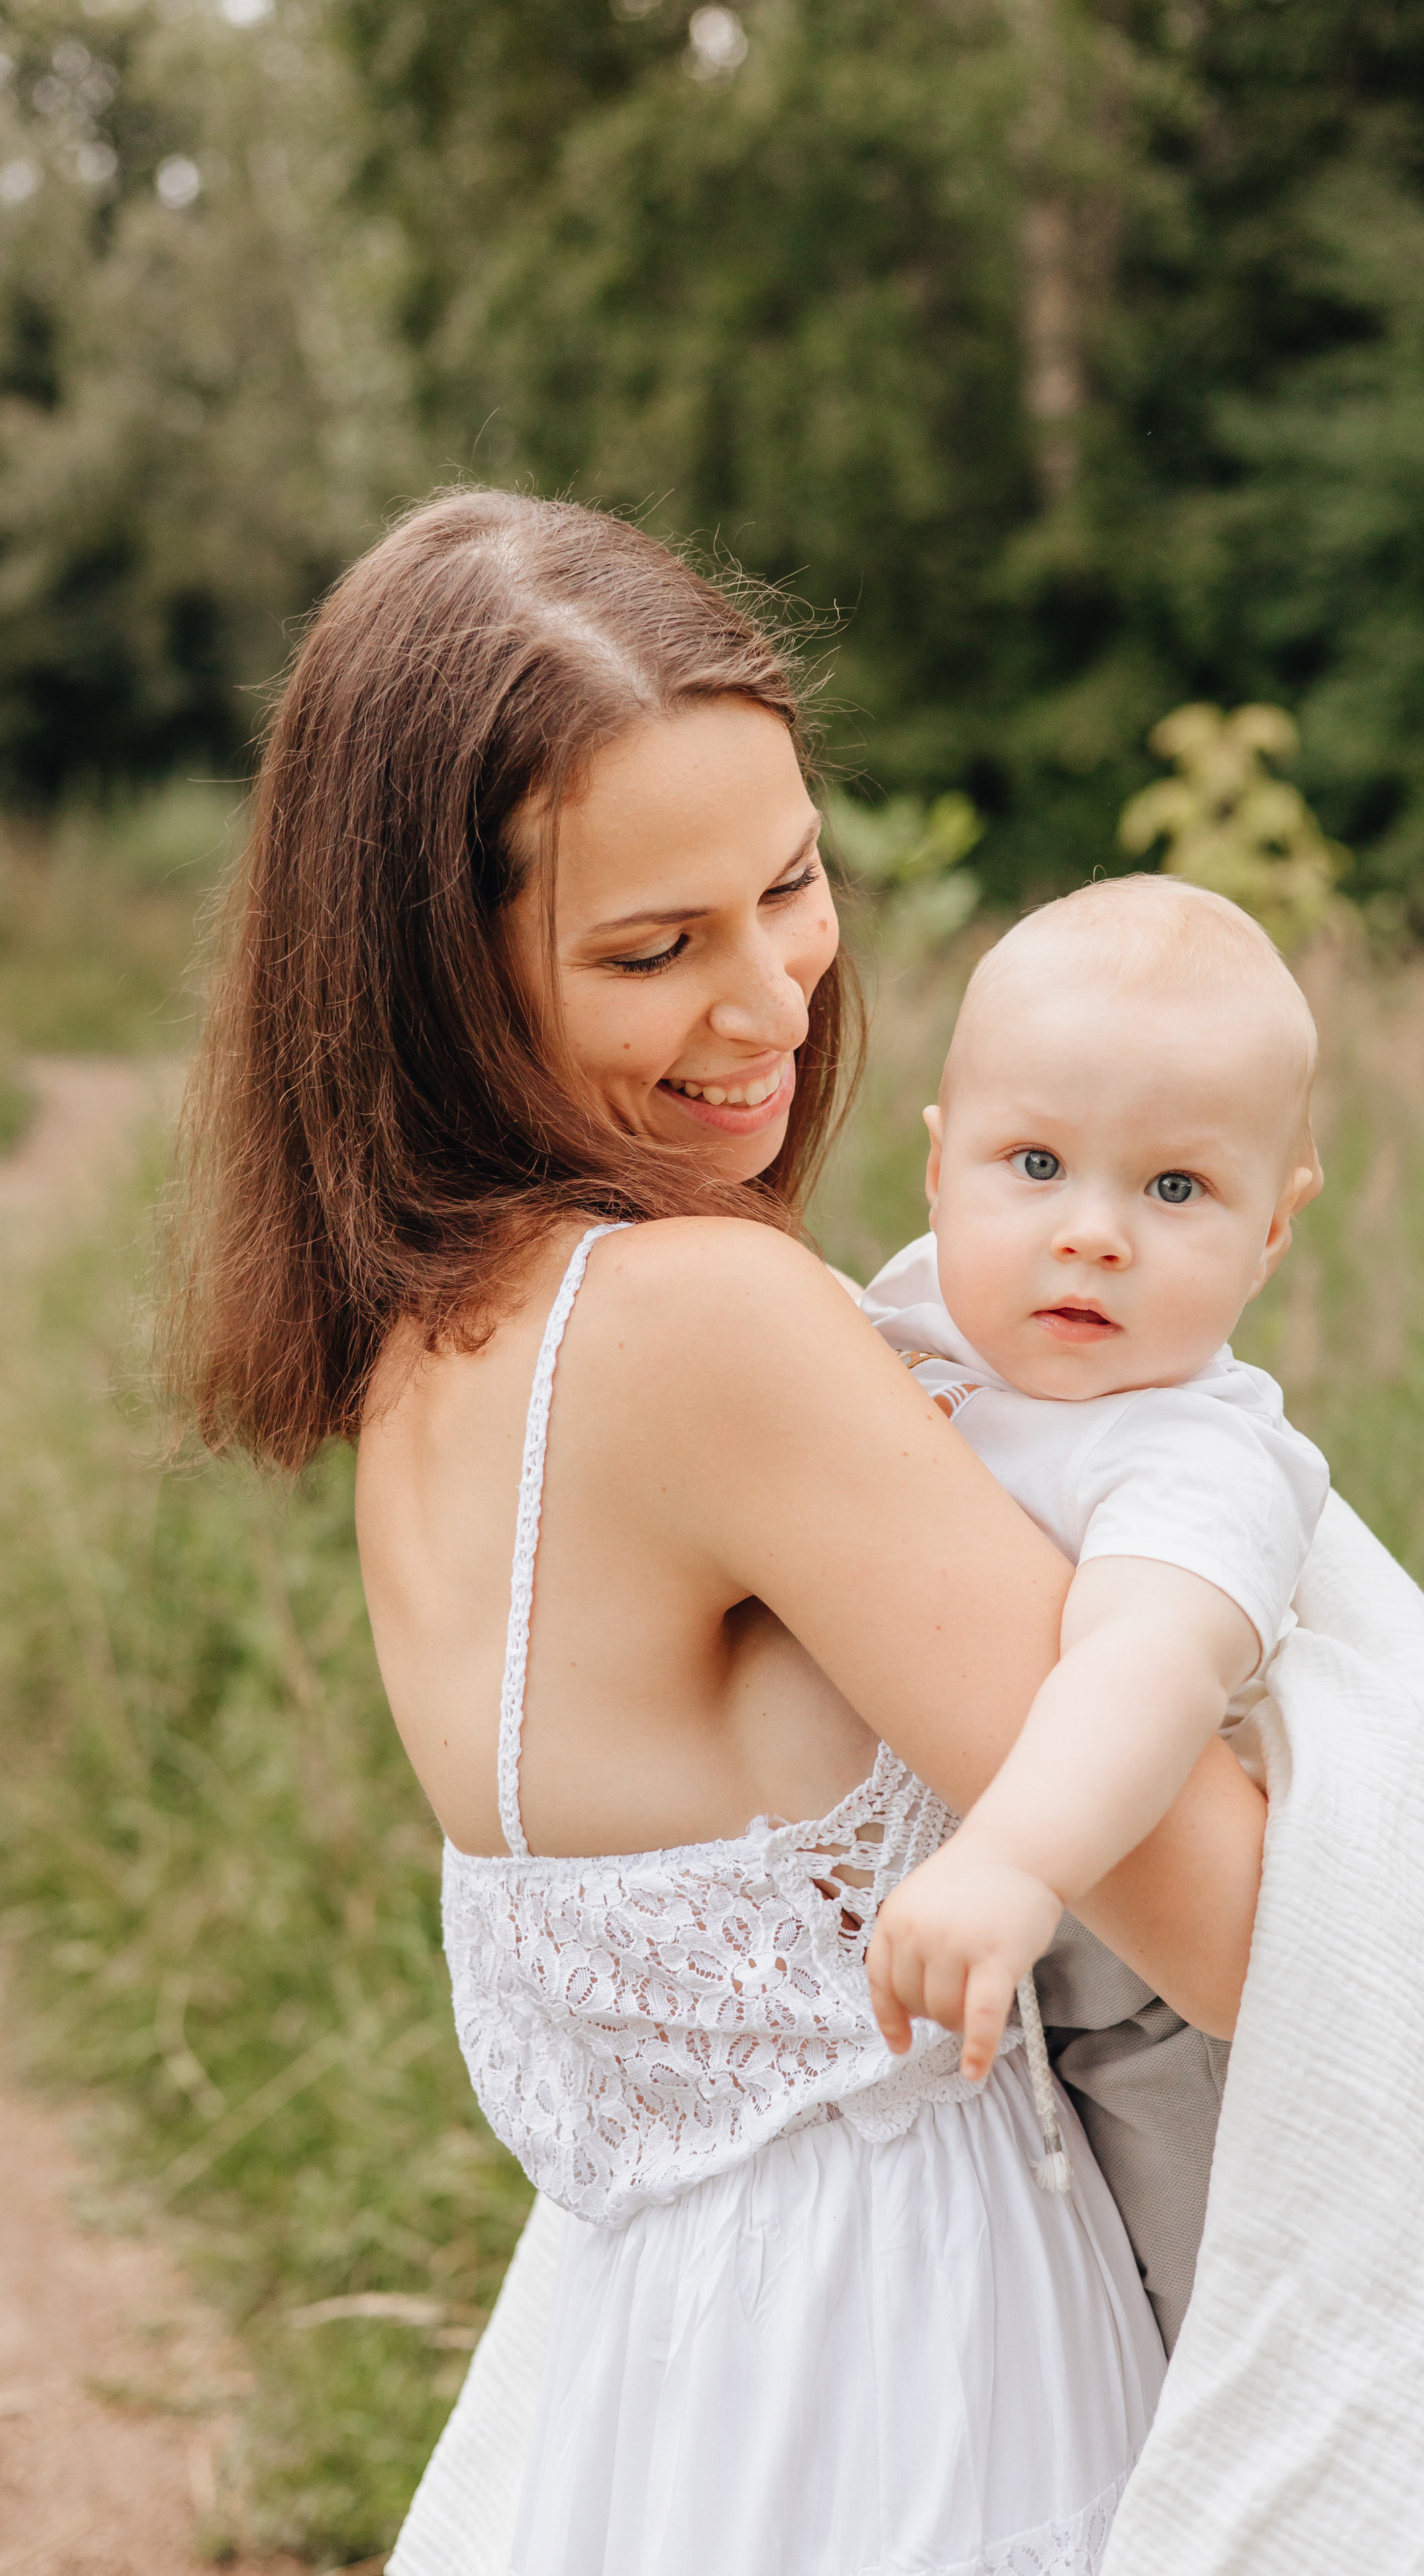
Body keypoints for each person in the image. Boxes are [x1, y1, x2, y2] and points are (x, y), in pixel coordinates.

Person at [162, 487, 1271, 2576]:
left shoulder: (436, 1343)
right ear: (437, 980)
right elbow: (1236, 1932)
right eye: (654, 951)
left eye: (789, 884)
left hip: (659, 2388)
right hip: (917, 2392)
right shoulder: (703, 1325)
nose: (770, 998)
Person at [860, 875, 1329, 2331]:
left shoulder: (1189, 1448)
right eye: (1034, 1162)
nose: (1094, 1233)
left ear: (1271, 1228)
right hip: (943, 1964)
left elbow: (1145, 1660)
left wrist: (1013, 1857)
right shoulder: (913, 1311)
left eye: (1174, 1189)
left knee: (1201, 2327)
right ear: (938, 1169)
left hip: (1137, 1996)